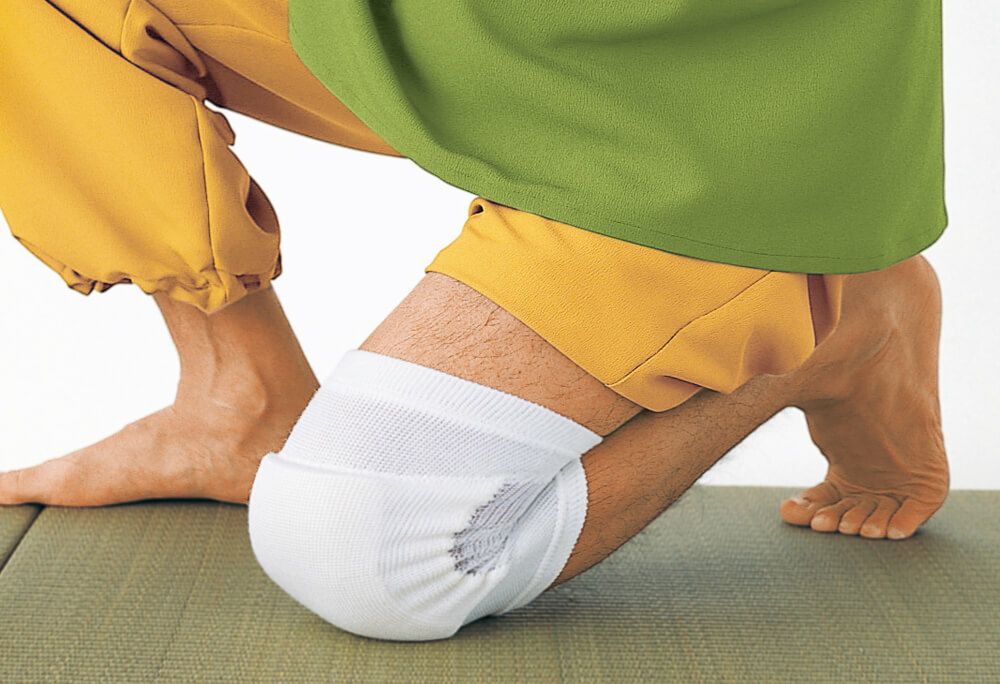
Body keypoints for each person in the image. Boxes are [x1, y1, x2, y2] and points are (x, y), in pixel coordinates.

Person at [0, 1, 948, 640]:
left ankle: (844, 329)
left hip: (690, 98)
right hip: (443, 30)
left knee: (369, 554)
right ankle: (238, 393)